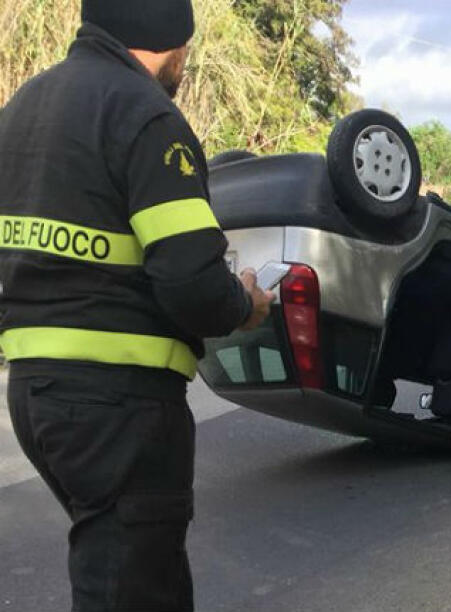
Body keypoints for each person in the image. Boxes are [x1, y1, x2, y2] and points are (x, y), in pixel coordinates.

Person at [0, 1, 273, 609]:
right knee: (135, 592)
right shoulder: (146, 114)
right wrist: (244, 304)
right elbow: (192, 284)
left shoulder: (23, 109)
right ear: (170, 38)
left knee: (114, 573)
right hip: (118, 405)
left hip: (36, 393)